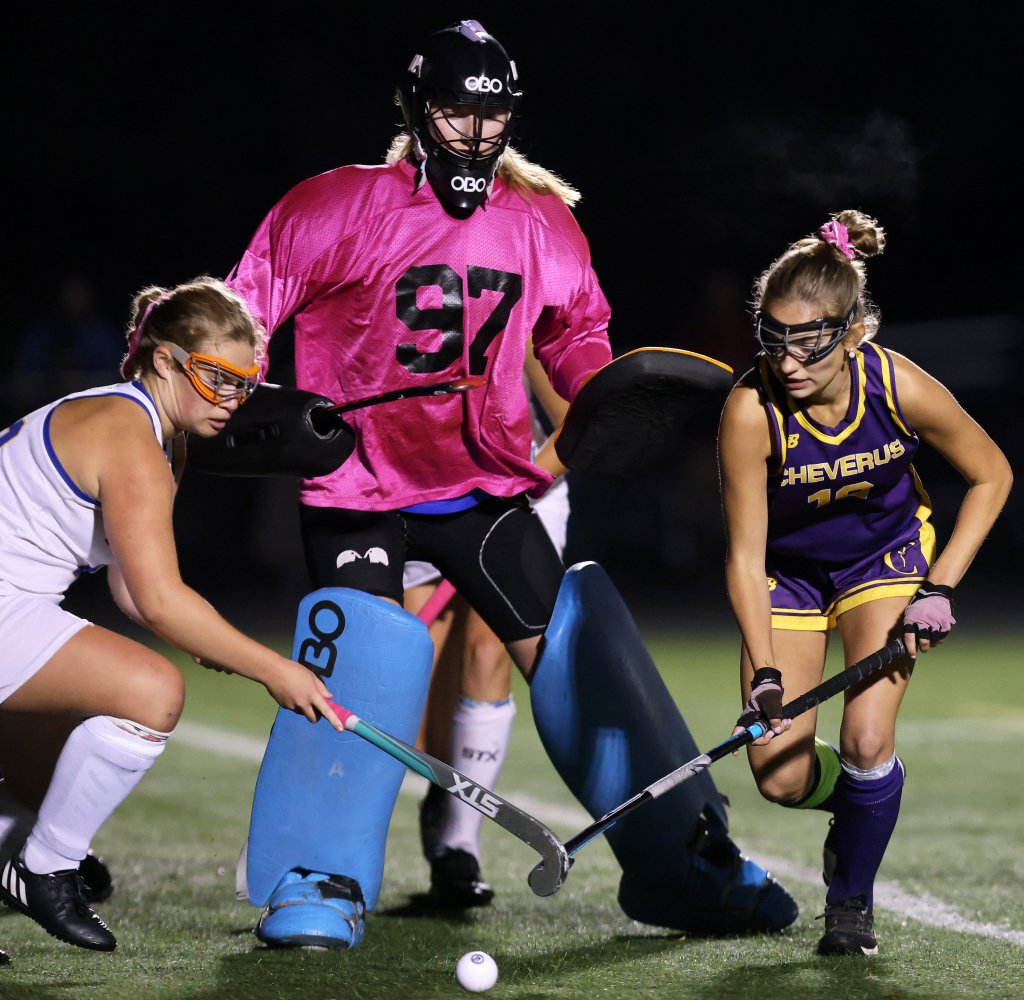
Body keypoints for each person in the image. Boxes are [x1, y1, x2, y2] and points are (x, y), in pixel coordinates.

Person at [227, 18, 797, 950]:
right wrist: (241, 398)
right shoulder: (334, 205)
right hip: (360, 486)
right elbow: (244, 314)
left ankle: (685, 855)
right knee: (361, 665)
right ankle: (315, 874)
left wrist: (604, 395)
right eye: (457, 114)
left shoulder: (538, 219)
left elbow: (576, 334)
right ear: (416, 110)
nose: (477, 135)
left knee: (579, 653)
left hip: (482, 483)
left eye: (493, 118)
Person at [0, 276, 343, 957]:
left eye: (245, 384)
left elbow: (133, 590)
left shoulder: (154, 435)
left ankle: (30, 853)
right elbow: (159, 601)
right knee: (153, 691)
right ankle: (43, 870)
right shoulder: (132, 440)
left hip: (15, 605)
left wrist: (211, 640)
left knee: (48, 766)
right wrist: (274, 669)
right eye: (217, 378)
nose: (232, 400)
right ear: (164, 360)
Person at [717, 209, 1013, 957]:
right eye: (774, 340)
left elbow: (992, 475)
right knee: (779, 777)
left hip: (884, 561)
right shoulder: (750, 411)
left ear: (853, 334)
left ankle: (849, 902)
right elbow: (745, 557)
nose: (788, 362)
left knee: (867, 735)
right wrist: (765, 675)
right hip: (788, 576)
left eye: (809, 344)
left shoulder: (896, 384)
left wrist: (938, 588)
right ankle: (857, 809)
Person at [407, 343, 570, 908]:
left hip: (520, 489)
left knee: (488, 648)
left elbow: (575, 423)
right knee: (410, 694)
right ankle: (437, 801)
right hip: (418, 491)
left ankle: (461, 844)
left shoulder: (514, 310)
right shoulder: (400, 305)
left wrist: (517, 486)